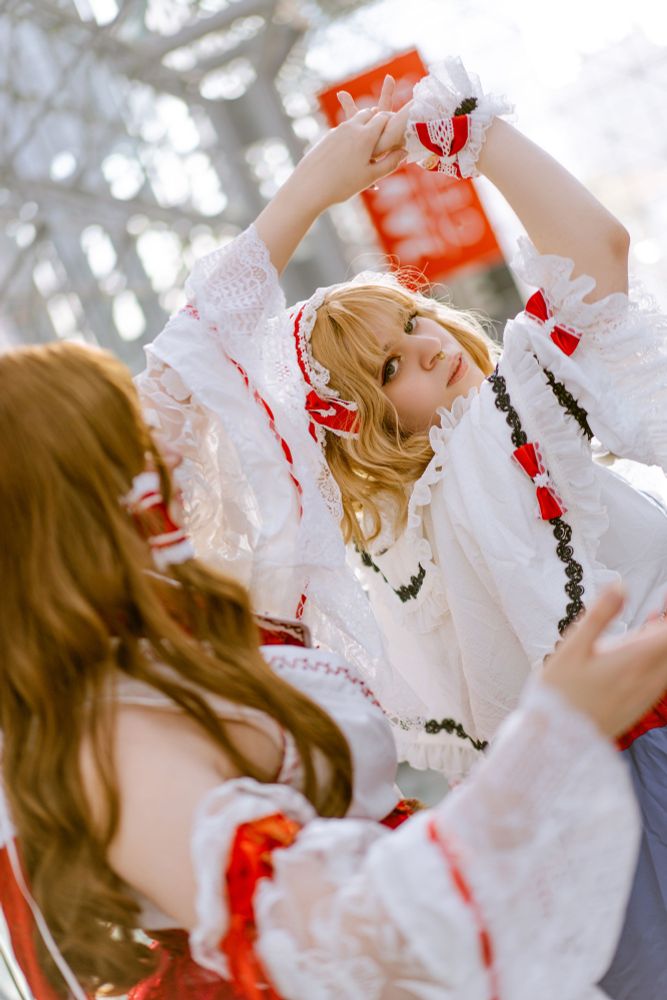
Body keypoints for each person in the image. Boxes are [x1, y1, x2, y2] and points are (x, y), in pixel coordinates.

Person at [138, 62, 667, 997]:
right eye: (388, 367)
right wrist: (469, 135)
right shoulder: (484, 449)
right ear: (352, 427)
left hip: (577, 811)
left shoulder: (393, 542)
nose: (427, 347)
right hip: (623, 773)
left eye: (414, 323)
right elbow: (598, 249)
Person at [4, 340, 667, 1000]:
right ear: (71, 504)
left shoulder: (156, 660)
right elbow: (348, 945)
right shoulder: (111, 739)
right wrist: (550, 738)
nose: (169, 455)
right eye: (133, 445)